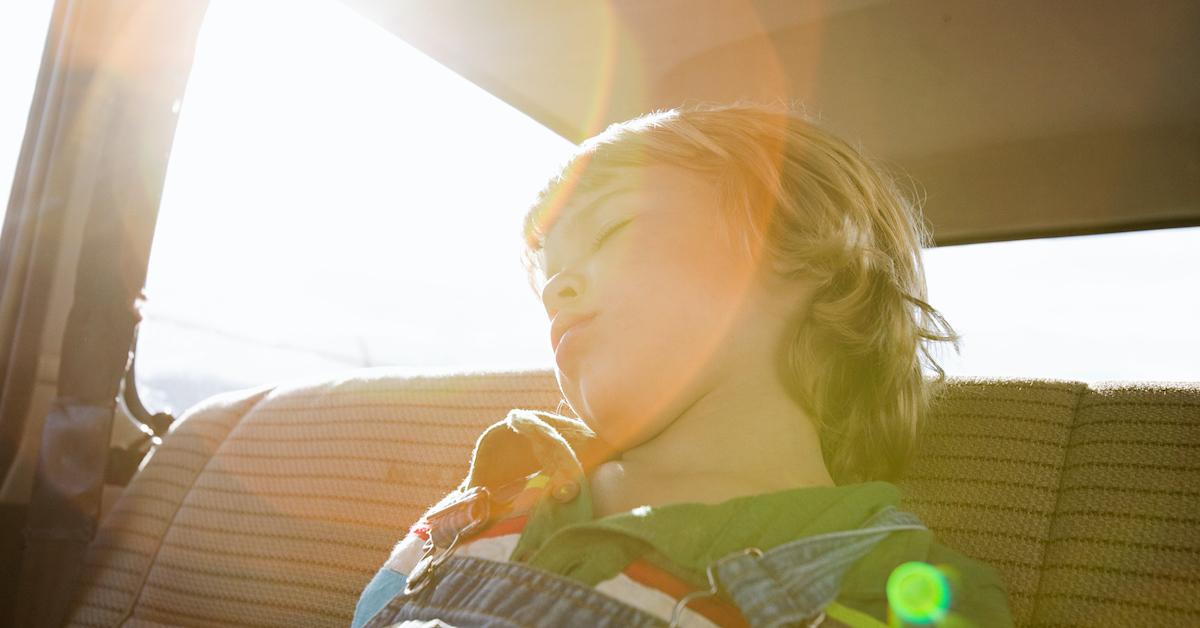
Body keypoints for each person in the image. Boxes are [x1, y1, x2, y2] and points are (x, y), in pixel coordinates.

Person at [351, 104, 1013, 627]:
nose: (557, 291)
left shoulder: (896, 586)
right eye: (549, 278)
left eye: (610, 230)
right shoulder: (484, 506)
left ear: (804, 251)